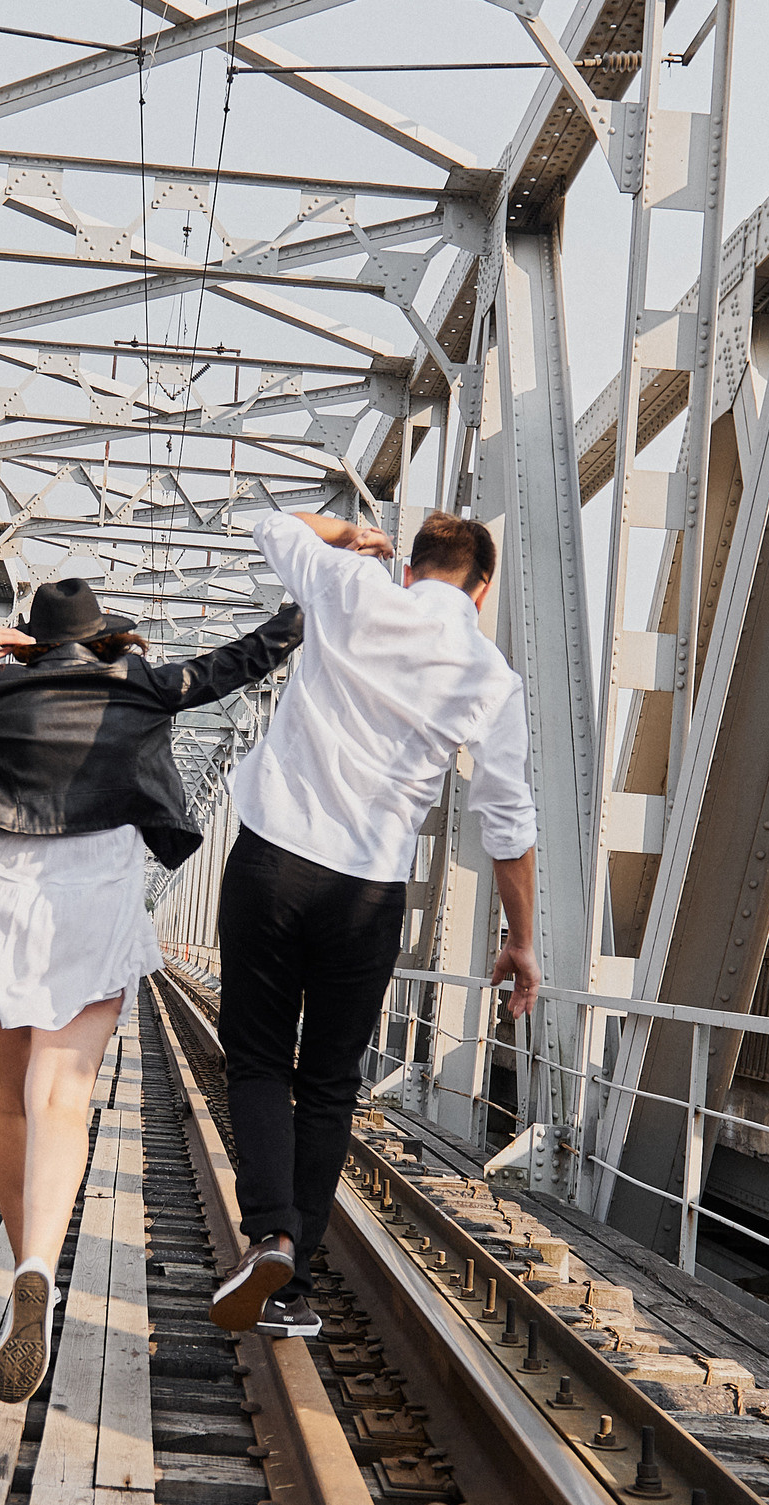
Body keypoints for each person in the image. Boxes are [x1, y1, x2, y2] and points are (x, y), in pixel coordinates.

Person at [0, 579, 301, 1401]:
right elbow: (250, 657)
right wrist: (320, 588)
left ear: (30, 639)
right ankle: (35, 1271)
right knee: (61, 1093)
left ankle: (29, 1277)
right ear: (103, 638)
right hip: (88, 896)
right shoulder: (142, 685)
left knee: (10, 1102)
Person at [207, 511, 540, 1339]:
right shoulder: (490, 678)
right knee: (326, 1084)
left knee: (255, 1057)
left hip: (272, 859)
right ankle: (288, 1292)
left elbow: (269, 523)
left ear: (411, 567)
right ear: (482, 587)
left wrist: (350, 533)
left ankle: (272, 1233)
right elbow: (509, 824)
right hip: (367, 895)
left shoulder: (350, 586)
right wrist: (521, 938)